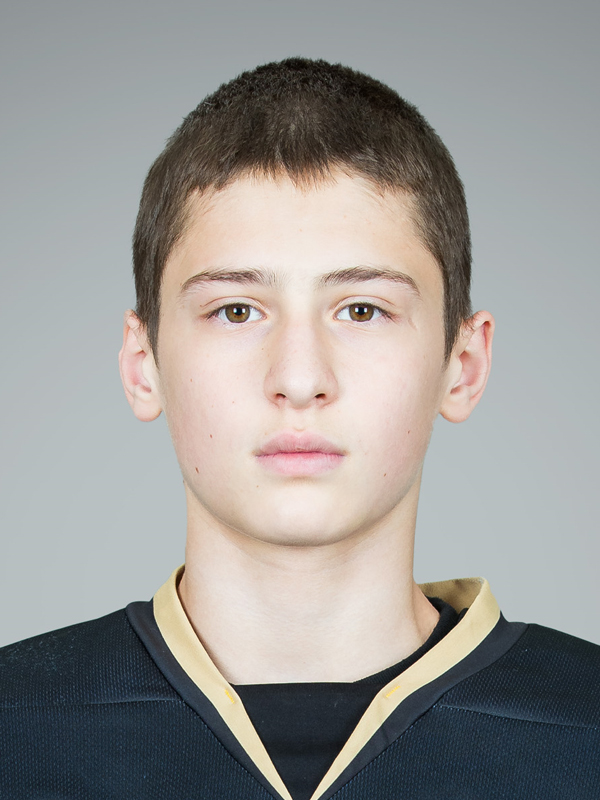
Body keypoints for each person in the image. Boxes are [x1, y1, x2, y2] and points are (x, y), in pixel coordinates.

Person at [1, 57, 599, 800]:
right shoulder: (16, 730)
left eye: (362, 310)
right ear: (142, 364)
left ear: (463, 364)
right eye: (236, 311)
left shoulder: (585, 732)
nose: (299, 377)